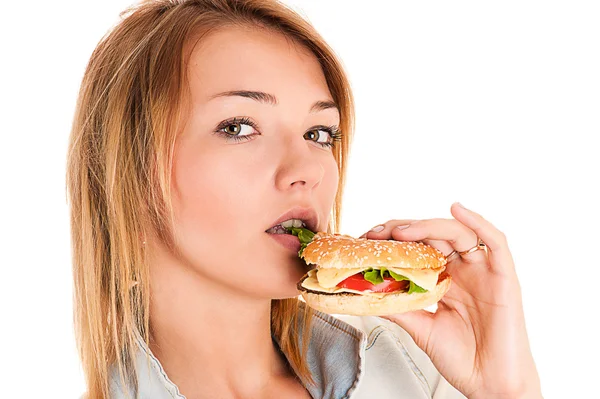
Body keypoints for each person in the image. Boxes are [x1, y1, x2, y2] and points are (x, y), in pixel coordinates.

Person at [66, 0, 542, 398]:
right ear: (131, 167)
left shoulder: (421, 374)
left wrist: (506, 389)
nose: (306, 171)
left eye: (319, 133)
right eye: (239, 127)